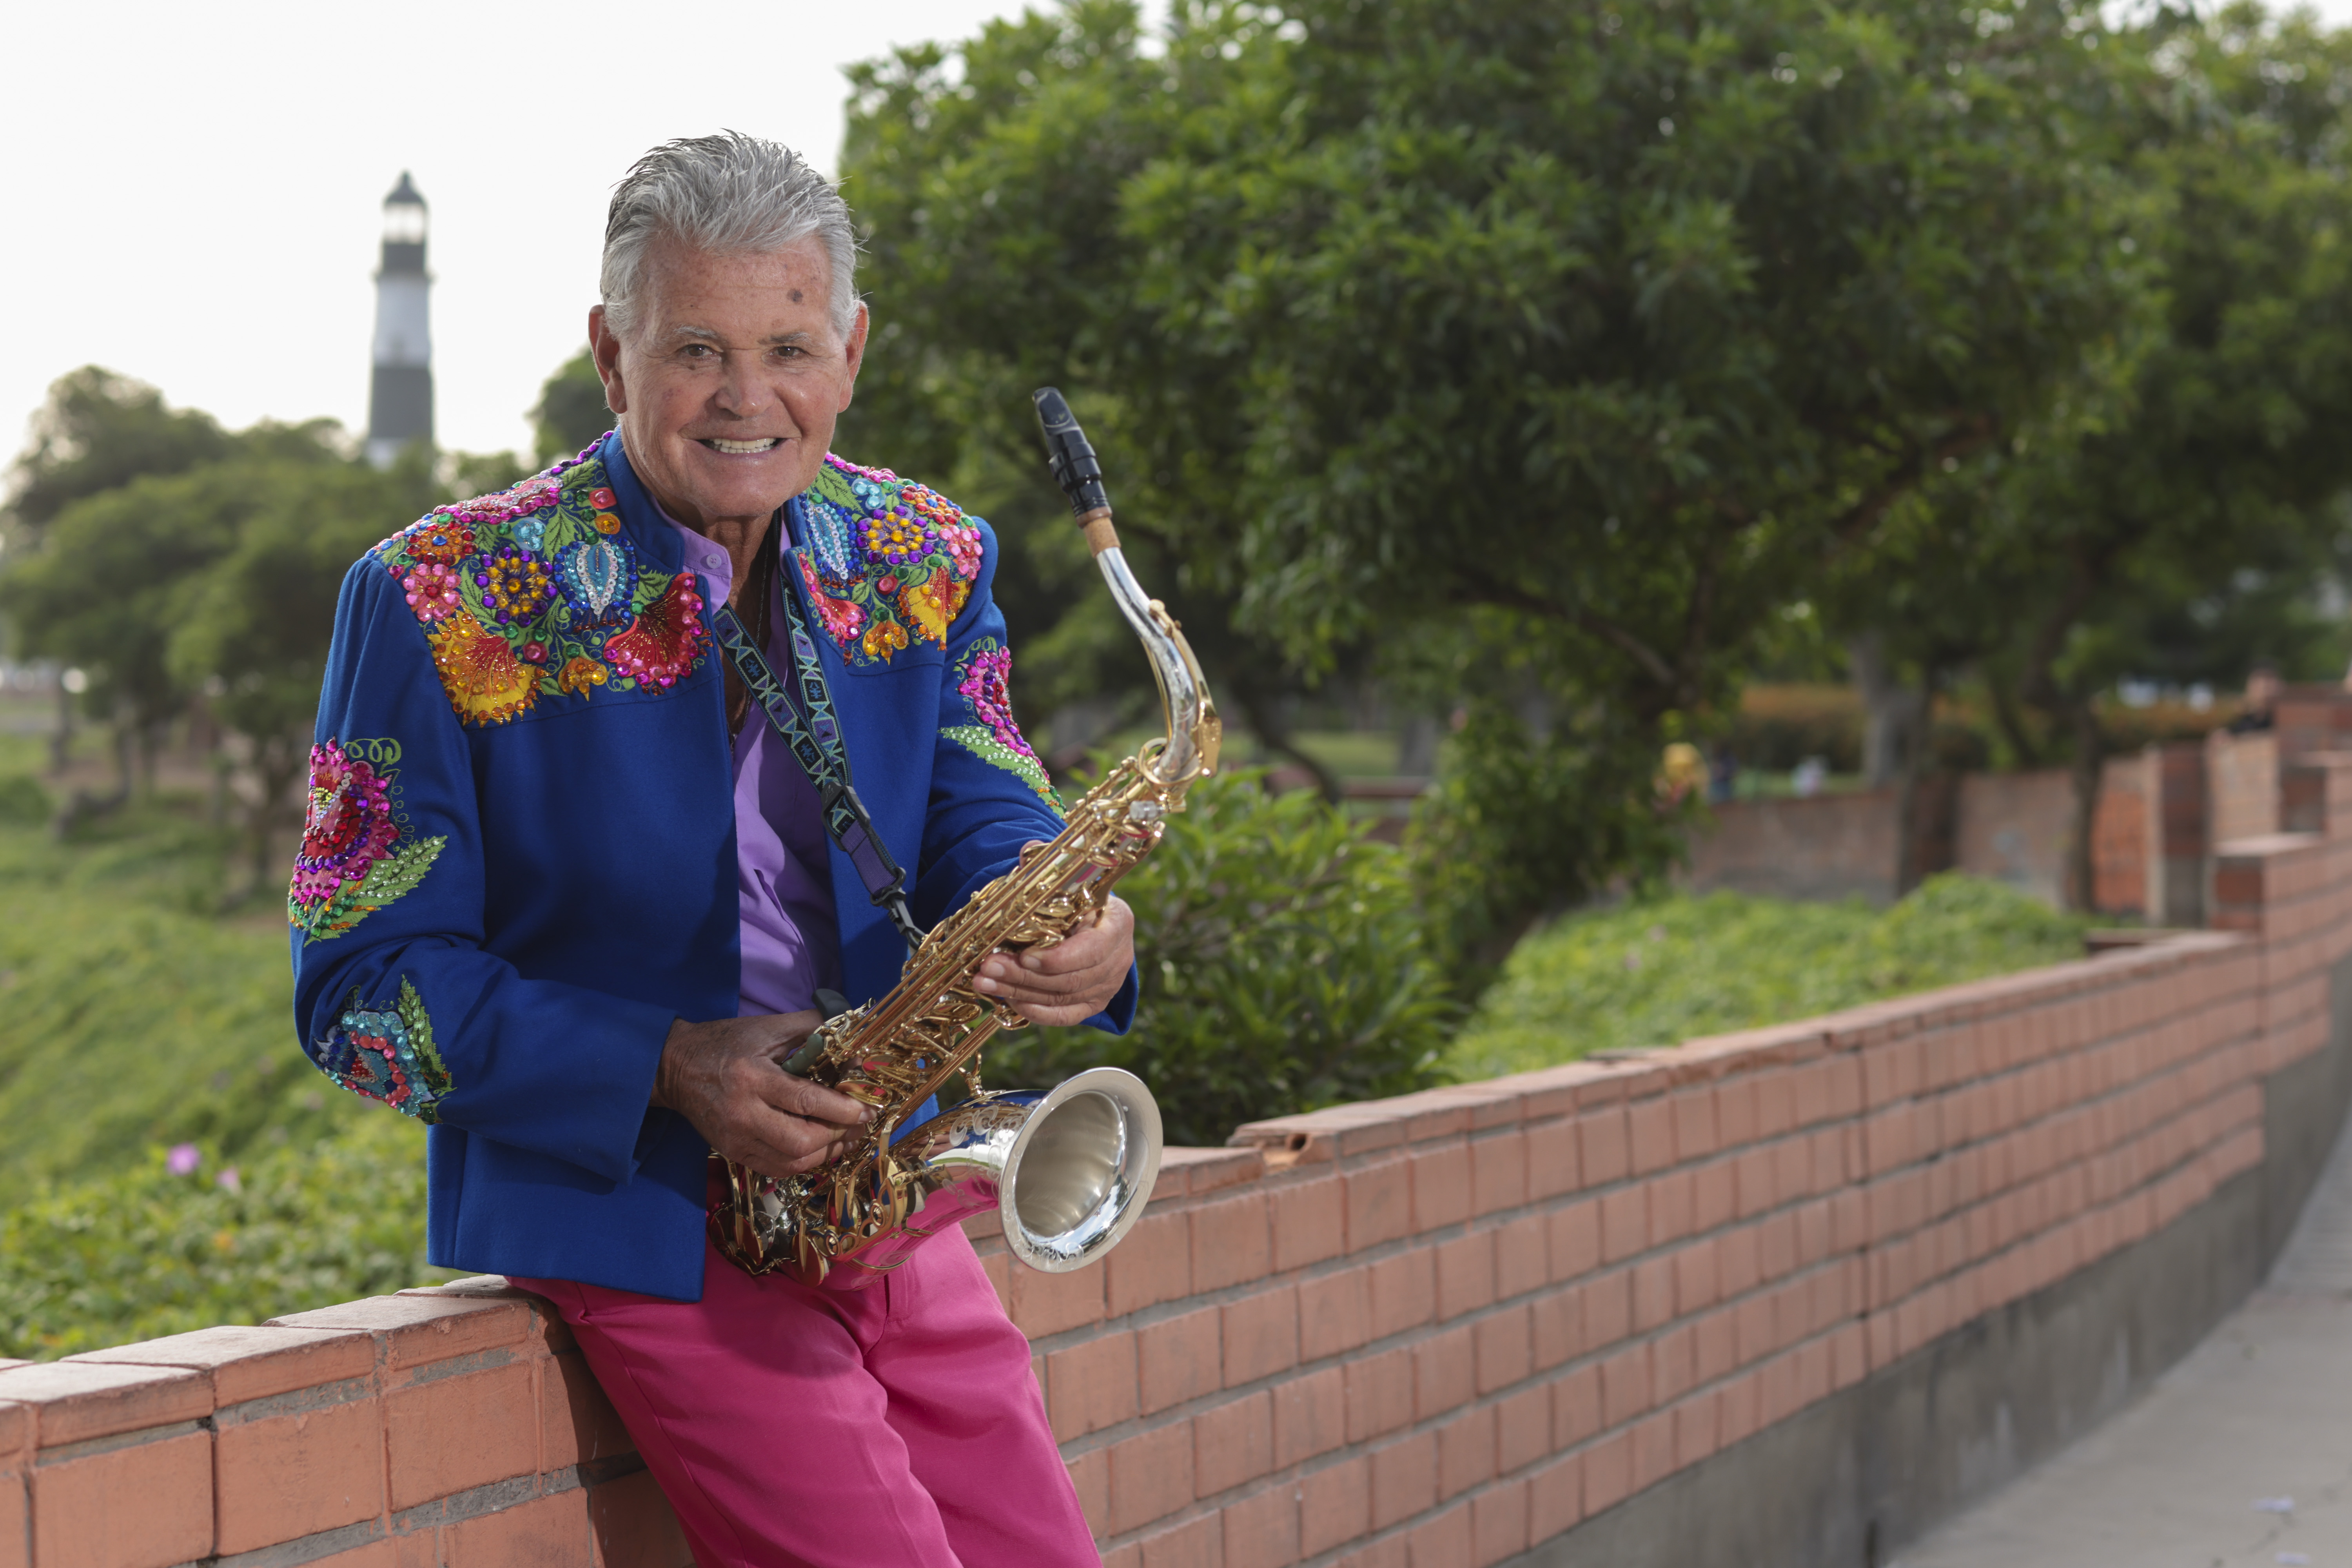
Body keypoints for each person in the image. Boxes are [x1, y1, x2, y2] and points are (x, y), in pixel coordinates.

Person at [289, 132, 1136, 1568]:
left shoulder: (928, 555)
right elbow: (360, 989)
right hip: (639, 1218)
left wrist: (1065, 917)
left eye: (790, 344)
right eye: (696, 348)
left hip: (885, 1188)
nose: (749, 398)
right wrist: (671, 1063)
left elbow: (989, 803)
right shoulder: (437, 597)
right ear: (610, 352)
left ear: (851, 350)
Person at [2226, 661, 2281, 735]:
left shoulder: (2286, 719)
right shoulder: (2234, 722)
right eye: (2258, 680)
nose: (2265, 686)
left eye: (2269, 679)